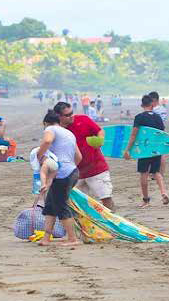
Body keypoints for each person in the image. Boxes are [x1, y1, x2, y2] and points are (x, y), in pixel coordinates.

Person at [54, 101, 115, 211]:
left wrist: (100, 140)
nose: (71, 116)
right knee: (77, 204)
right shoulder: (57, 130)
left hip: (96, 168)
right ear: (59, 116)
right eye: (67, 115)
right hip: (75, 172)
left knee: (106, 198)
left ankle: (114, 224)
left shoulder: (83, 119)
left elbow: (100, 131)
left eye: (72, 113)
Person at [36, 110, 82, 247]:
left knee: (61, 206)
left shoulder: (50, 129)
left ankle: (73, 239)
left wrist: (39, 155)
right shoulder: (69, 133)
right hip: (72, 171)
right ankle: (46, 238)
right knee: (50, 206)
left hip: (63, 174)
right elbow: (79, 157)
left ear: (45, 123)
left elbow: (47, 140)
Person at [124, 95, 169, 208]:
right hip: (156, 150)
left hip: (144, 150)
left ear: (142, 105)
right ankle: (164, 192)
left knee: (144, 173)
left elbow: (134, 135)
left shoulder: (139, 117)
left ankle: (146, 200)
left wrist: (128, 150)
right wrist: (163, 149)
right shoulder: (158, 117)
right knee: (156, 172)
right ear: (152, 105)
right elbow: (162, 135)